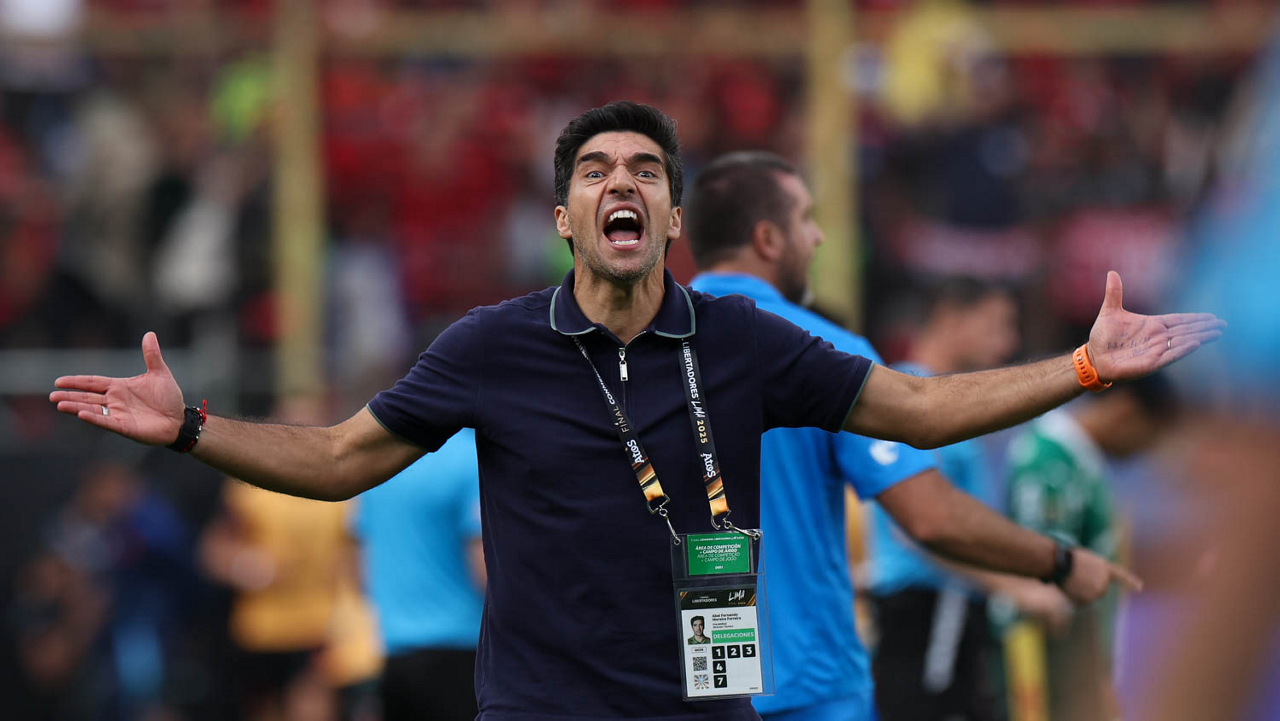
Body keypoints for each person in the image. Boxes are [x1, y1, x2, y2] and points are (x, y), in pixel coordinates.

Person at [50, 101, 1223, 720]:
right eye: (595, 171)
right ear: (564, 218)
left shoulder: (746, 341)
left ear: (669, 219)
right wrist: (192, 428)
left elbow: (912, 408)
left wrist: (1081, 365)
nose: (621, 182)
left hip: (707, 707)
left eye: (646, 170)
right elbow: (342, 456)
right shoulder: (490, 345)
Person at [686, 152, 1066, 721]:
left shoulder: (634, 358)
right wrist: (1053, 566)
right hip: (816, 687)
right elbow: (928, 519)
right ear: (767, 238)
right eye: (806, 219)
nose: (817, 237)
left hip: (695, 686)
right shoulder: (828, 352)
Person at [866, 277, 1072, 721]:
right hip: (930, 612)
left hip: (954, 613)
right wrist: (1019, 588)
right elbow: (915, 525)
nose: (1010, 342)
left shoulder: (946, 402)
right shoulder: (906, 398)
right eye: (998, 325)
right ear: (950, 318)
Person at [1003, 374, 1176, 721]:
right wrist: (1090, 687)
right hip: (1049, 673)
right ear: (1126, 411)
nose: (1143, 451)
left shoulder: (1080, 461)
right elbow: (1045, 586)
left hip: (1073, 670)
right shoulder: (1050, 461)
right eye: (1149, 436)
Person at [353, 427, 485, 720]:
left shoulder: (380, 458)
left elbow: (359, 571)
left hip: (394, 652)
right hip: (462, 651)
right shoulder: (473, 457)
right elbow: (483, 573)